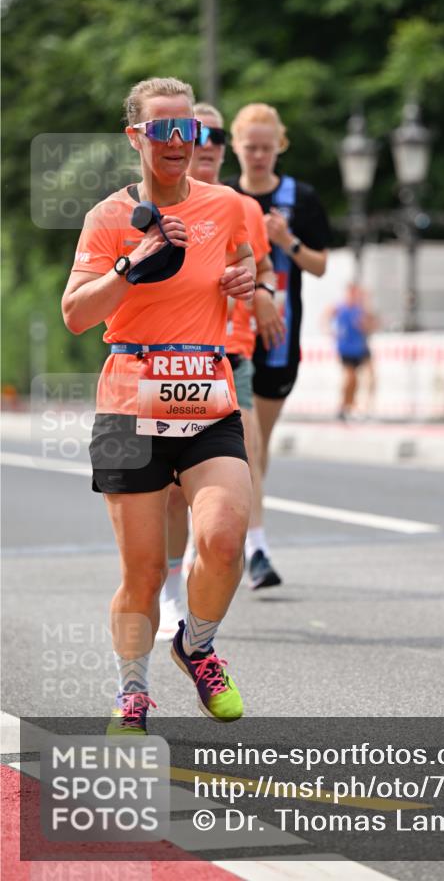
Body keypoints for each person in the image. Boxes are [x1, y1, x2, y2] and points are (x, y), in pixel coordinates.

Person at [61, 77, 256, 733]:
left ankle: (195, 645)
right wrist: (130, 266)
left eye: (188, 130)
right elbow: (75, 315)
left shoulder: (227, 206)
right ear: (136, 136)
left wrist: (246, 281)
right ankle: (133, 691)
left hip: (206, 395)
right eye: (162, 130)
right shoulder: (108, 218)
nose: (177, 142)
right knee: (142, 573)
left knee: (224, 537)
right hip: (130, 401)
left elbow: (246, 271)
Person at [157, 102, 284, 635]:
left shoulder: (238, 206)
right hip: (169, 358)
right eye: (195, 139)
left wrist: (263, 294)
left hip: (230, 355)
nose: (203, 149)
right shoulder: (152, 203)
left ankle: (249, 550)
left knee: (244, 459)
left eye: (210, 141)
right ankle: (167, 585)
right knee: (169, 488)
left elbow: (262, 267)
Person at [226, 103, 332, 585]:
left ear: (280, 146)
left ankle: (238, 534)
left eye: (268, 148)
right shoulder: (223, 198)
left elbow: (320, 265)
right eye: (251, 148)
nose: (260, 156)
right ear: (236, 147)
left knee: (257, 446)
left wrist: (287, 241)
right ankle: (252, 547)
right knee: (243, 446)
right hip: (228, 336)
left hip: (280, 339)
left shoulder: (300, 198)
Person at [328, 282, 378, 420]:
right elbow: (326, 317)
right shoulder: (340, 307)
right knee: (350, 378)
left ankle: (361, 405)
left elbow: (371, 324)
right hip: (347, 348)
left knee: (369, 376)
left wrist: (365, 320)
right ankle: (345, 405)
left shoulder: (361, 309)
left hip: (360, 347)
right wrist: (331, 332)